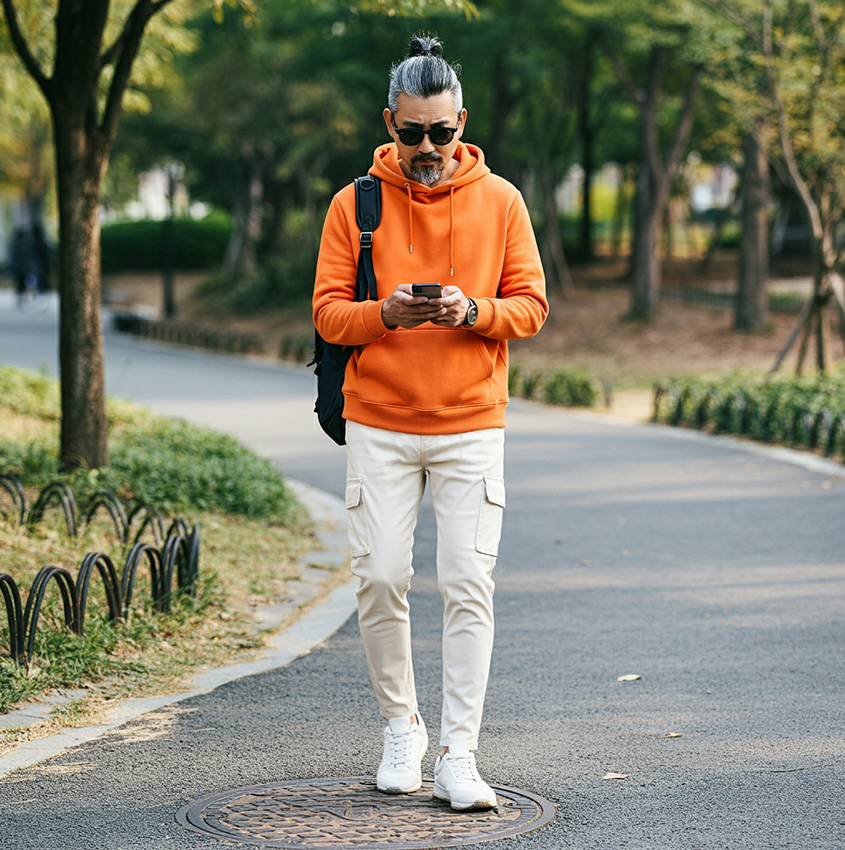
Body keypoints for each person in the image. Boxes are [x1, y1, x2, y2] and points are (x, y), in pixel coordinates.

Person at [312, 34, 548, 811]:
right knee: (380, 577)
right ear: (390, 123)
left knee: (468, 585)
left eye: (440, 132)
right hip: (378, 422)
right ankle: (402, 727)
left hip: (471, 424)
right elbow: (327, 314)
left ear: (461, 124)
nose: (426, 147)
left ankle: (459, 753)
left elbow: (531, 306)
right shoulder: (353, 205)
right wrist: (384, 313)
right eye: (411, 132)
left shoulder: (502, 200)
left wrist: (470, 310)